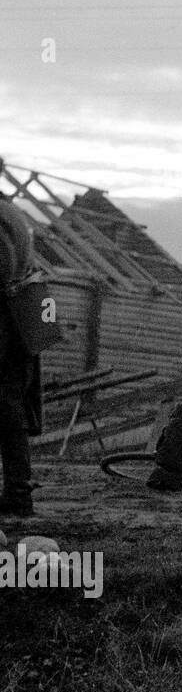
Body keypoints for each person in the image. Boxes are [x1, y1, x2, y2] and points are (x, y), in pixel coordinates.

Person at [0, 157, 40, 517]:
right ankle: (18, 490)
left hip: (4, 324)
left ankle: (17, 492)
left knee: (6, 408)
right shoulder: (13, 213)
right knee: (8, 407)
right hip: (17, 324)